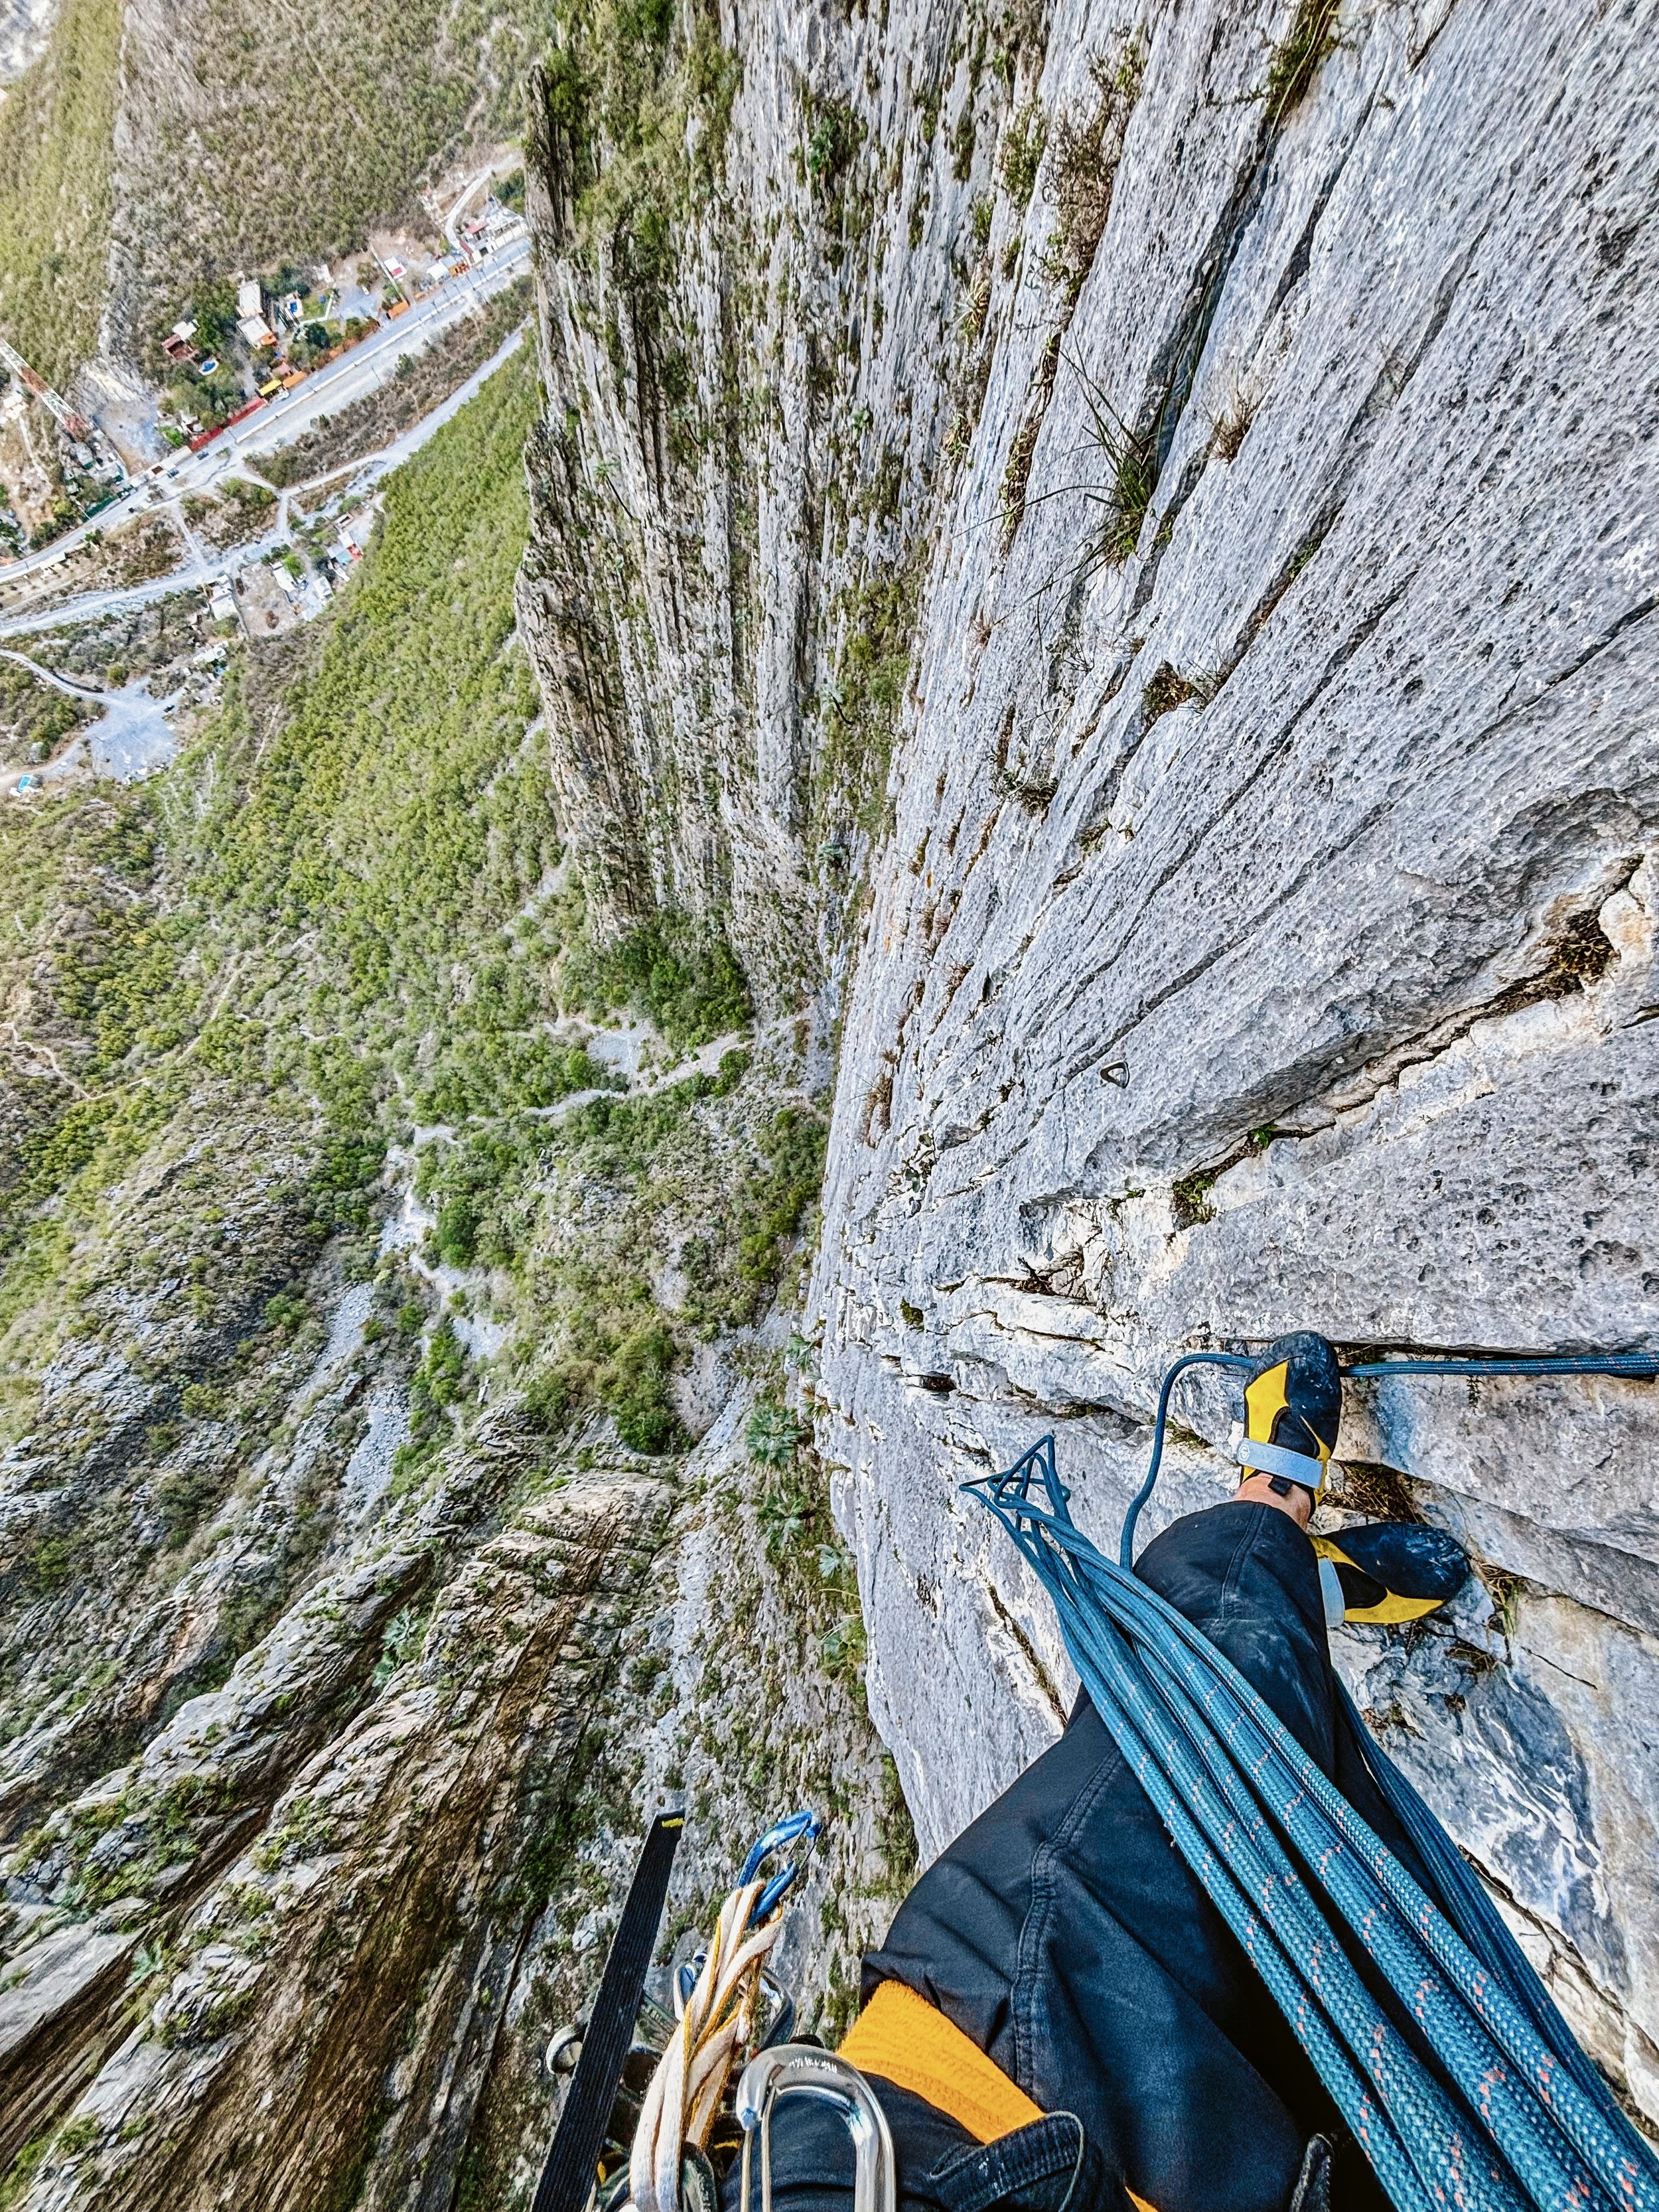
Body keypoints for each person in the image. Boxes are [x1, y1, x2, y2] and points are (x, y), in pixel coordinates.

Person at [739, 1334, 1471, 2212]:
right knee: (1362, 1912)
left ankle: (1274, 1505)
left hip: (983, 2078)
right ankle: (1301, 1584)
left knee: (1199, 1702)